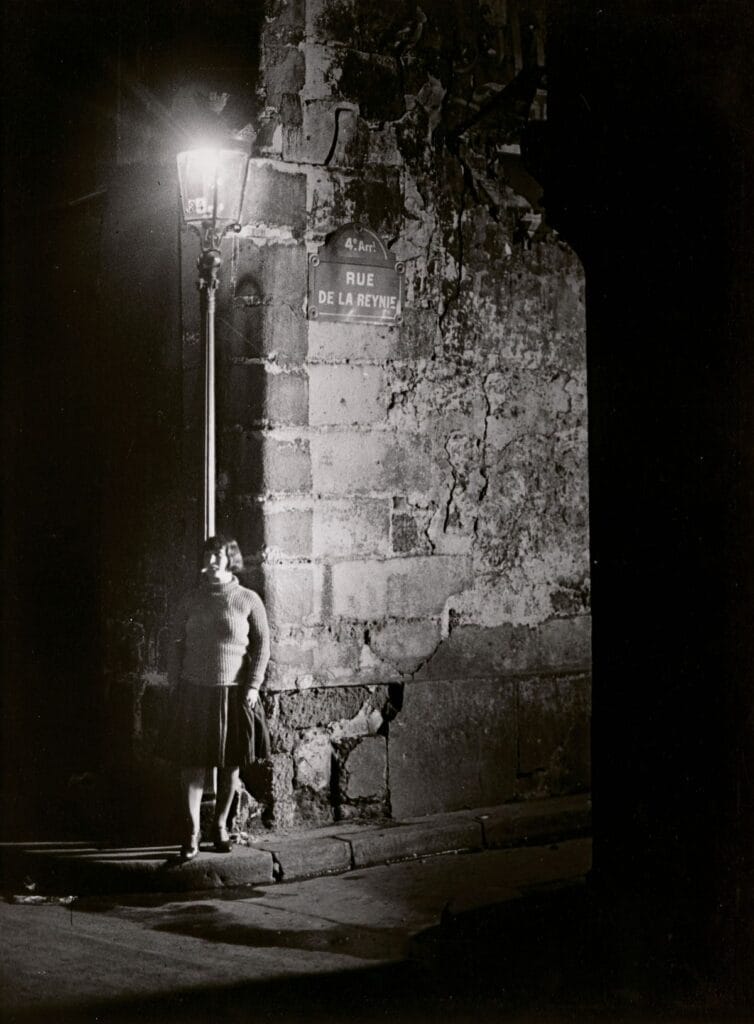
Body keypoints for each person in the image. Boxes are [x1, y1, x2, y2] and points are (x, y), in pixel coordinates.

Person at [165, 534, 270, 860]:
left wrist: (253, 686)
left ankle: (221, 826)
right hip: (194, 692)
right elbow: (175, 644)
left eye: (218, 556)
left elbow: (262, 646)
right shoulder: (190, 600)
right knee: (193, 765)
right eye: (207, 555)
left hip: (233, 693)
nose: (211, 562)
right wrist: (174, 683)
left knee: (230, 766)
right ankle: (191, 832)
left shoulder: (248, 599)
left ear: (230, 560)